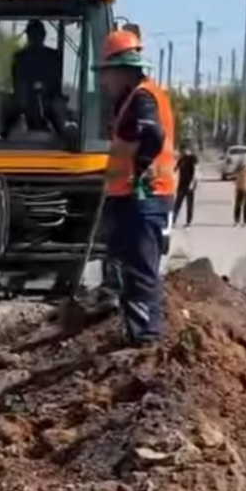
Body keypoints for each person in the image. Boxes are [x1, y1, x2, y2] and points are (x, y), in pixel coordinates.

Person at [95, 28, 176, 346]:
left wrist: (140, 167)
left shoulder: (142, 98)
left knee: (141, 270)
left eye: (107, 75)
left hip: (145, 196)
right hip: (134, 197)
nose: (103, 82)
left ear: (122, 71)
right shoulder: (135, 98)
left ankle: (146, 340)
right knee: (129, 267)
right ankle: (135, 334)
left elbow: (152, 135)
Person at [174, 140, 198, 227]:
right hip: (181, 184)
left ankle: (188, 221)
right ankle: (173, 220)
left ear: (187, 149)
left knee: (189, 204)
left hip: (190, 184)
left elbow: (196, 170)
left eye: (183, 150)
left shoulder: (193, 158)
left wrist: (192, 182)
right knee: (177, 203)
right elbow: (175, 169)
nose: (182, 152)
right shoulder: (181, 159)